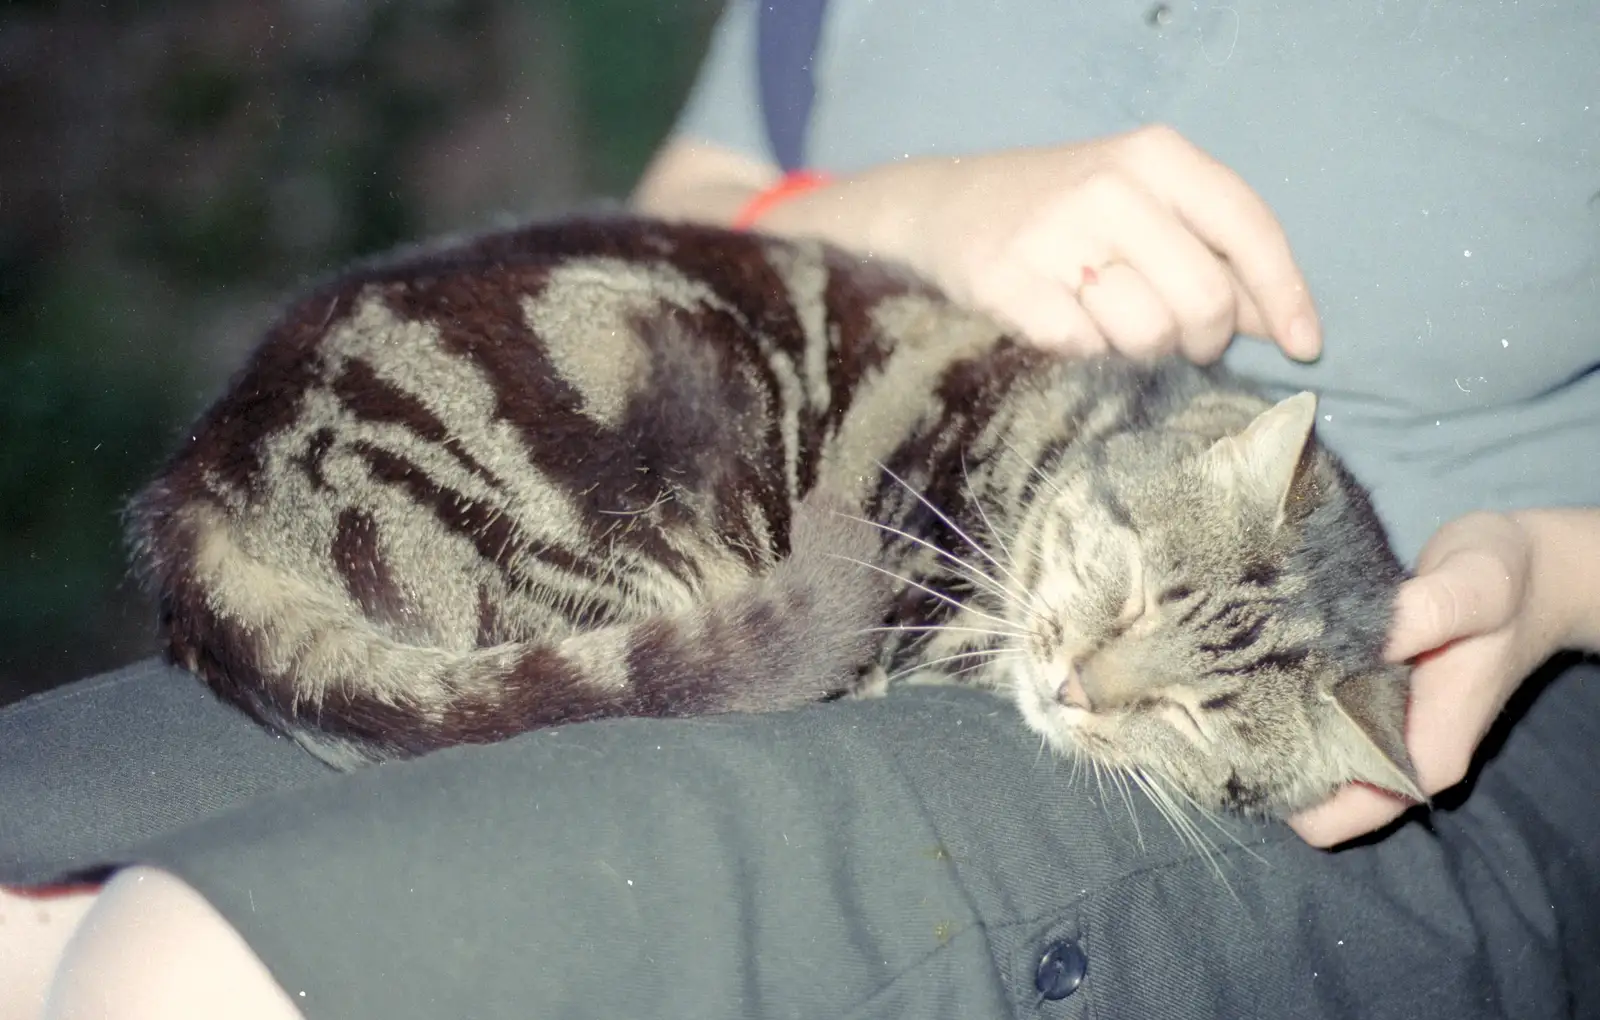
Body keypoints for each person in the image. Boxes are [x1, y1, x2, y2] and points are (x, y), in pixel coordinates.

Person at [4, 2, 1597, 1017]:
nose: (1087, 686)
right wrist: (914, 210)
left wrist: (1552, 574)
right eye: (1113, 625)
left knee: (186, 963)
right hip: (590, 468)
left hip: (1461, 725)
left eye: (1160, 702)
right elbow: (652, 236)